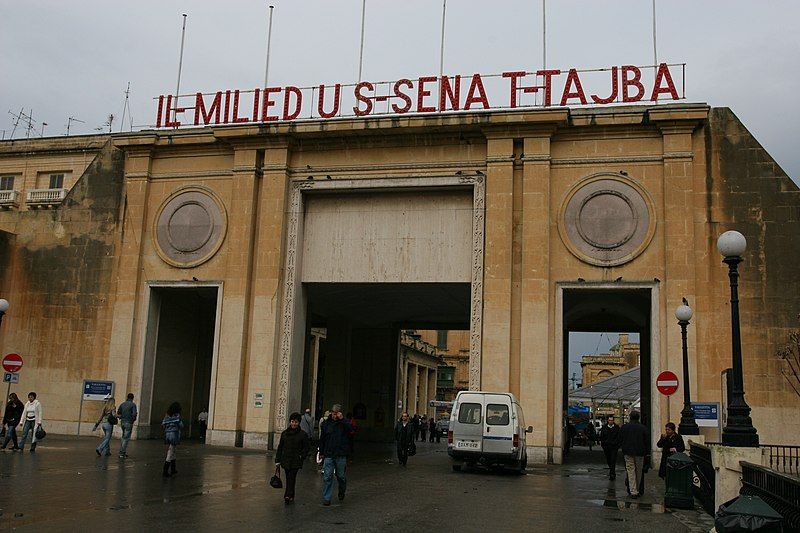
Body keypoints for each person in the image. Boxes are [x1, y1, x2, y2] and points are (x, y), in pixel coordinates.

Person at [318, 404, 352, 506]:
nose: (334, 415)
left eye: (336, 413)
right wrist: (321, 452)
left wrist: (342, 420)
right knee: (327, 477)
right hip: (329, 454)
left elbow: (350, 430)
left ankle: (342, 490)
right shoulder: (326, 424)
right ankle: (327, 498)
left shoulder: (344, 423)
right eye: (333, 413)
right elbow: (322, 439)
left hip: (341, 454)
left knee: (340, 476)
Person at [276, 412, 311, 504]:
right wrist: (277, 460)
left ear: (299, 422)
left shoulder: (303, 435)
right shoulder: (284, 434)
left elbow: (306, 447)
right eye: (292, 421)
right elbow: (280, 447)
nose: (294, 424)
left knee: (292, 477)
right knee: (288, 477)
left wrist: (302, 456)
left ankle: (287, 495)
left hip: (296, 460)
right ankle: (291, 494)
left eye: (296, 422)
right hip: (286, 459)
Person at [620, 410, 649, 498]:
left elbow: (620, 439)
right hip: (640, 452)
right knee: (639, 471)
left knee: (630, 471)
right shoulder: (643, 428)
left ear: (630, 417)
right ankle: (638, 488)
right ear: (638, 418)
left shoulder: (624, 427)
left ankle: (633, 491)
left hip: (628, 452)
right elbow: (646, 441)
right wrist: (647, 453)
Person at [162, 402, 184, 477]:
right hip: (174, 434)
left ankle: (173, 468)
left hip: (167, 434)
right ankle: (165, 470)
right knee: (170, 451)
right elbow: (181, 425)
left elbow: (163, 424)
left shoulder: (167, 415)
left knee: (173, 450)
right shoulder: (177, 416)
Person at [600, 415, 621, 480]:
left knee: (613, 460)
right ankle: (612, 470)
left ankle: (612, 473)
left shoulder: (617, 428)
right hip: (607, 447)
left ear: (613, 421)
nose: (610, 422)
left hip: (614, 447)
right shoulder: (604, 427)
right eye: (609, 420)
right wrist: (603, 445)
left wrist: (617, 445)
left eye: (612, 420)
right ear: (608, 421)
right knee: (609, 460)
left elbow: (619, 437)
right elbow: (602, 437)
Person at [117, 393, 137, 458]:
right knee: (126, 438)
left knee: (123, 437)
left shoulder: (122, 404)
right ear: (132, 398)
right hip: (129, 422)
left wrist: (122, 416)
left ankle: (122, 452)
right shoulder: (133, 405)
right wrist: (133, 420)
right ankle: (122, 453)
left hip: (122, 422)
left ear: (127, 397)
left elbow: (118, 412)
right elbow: (134, 414)